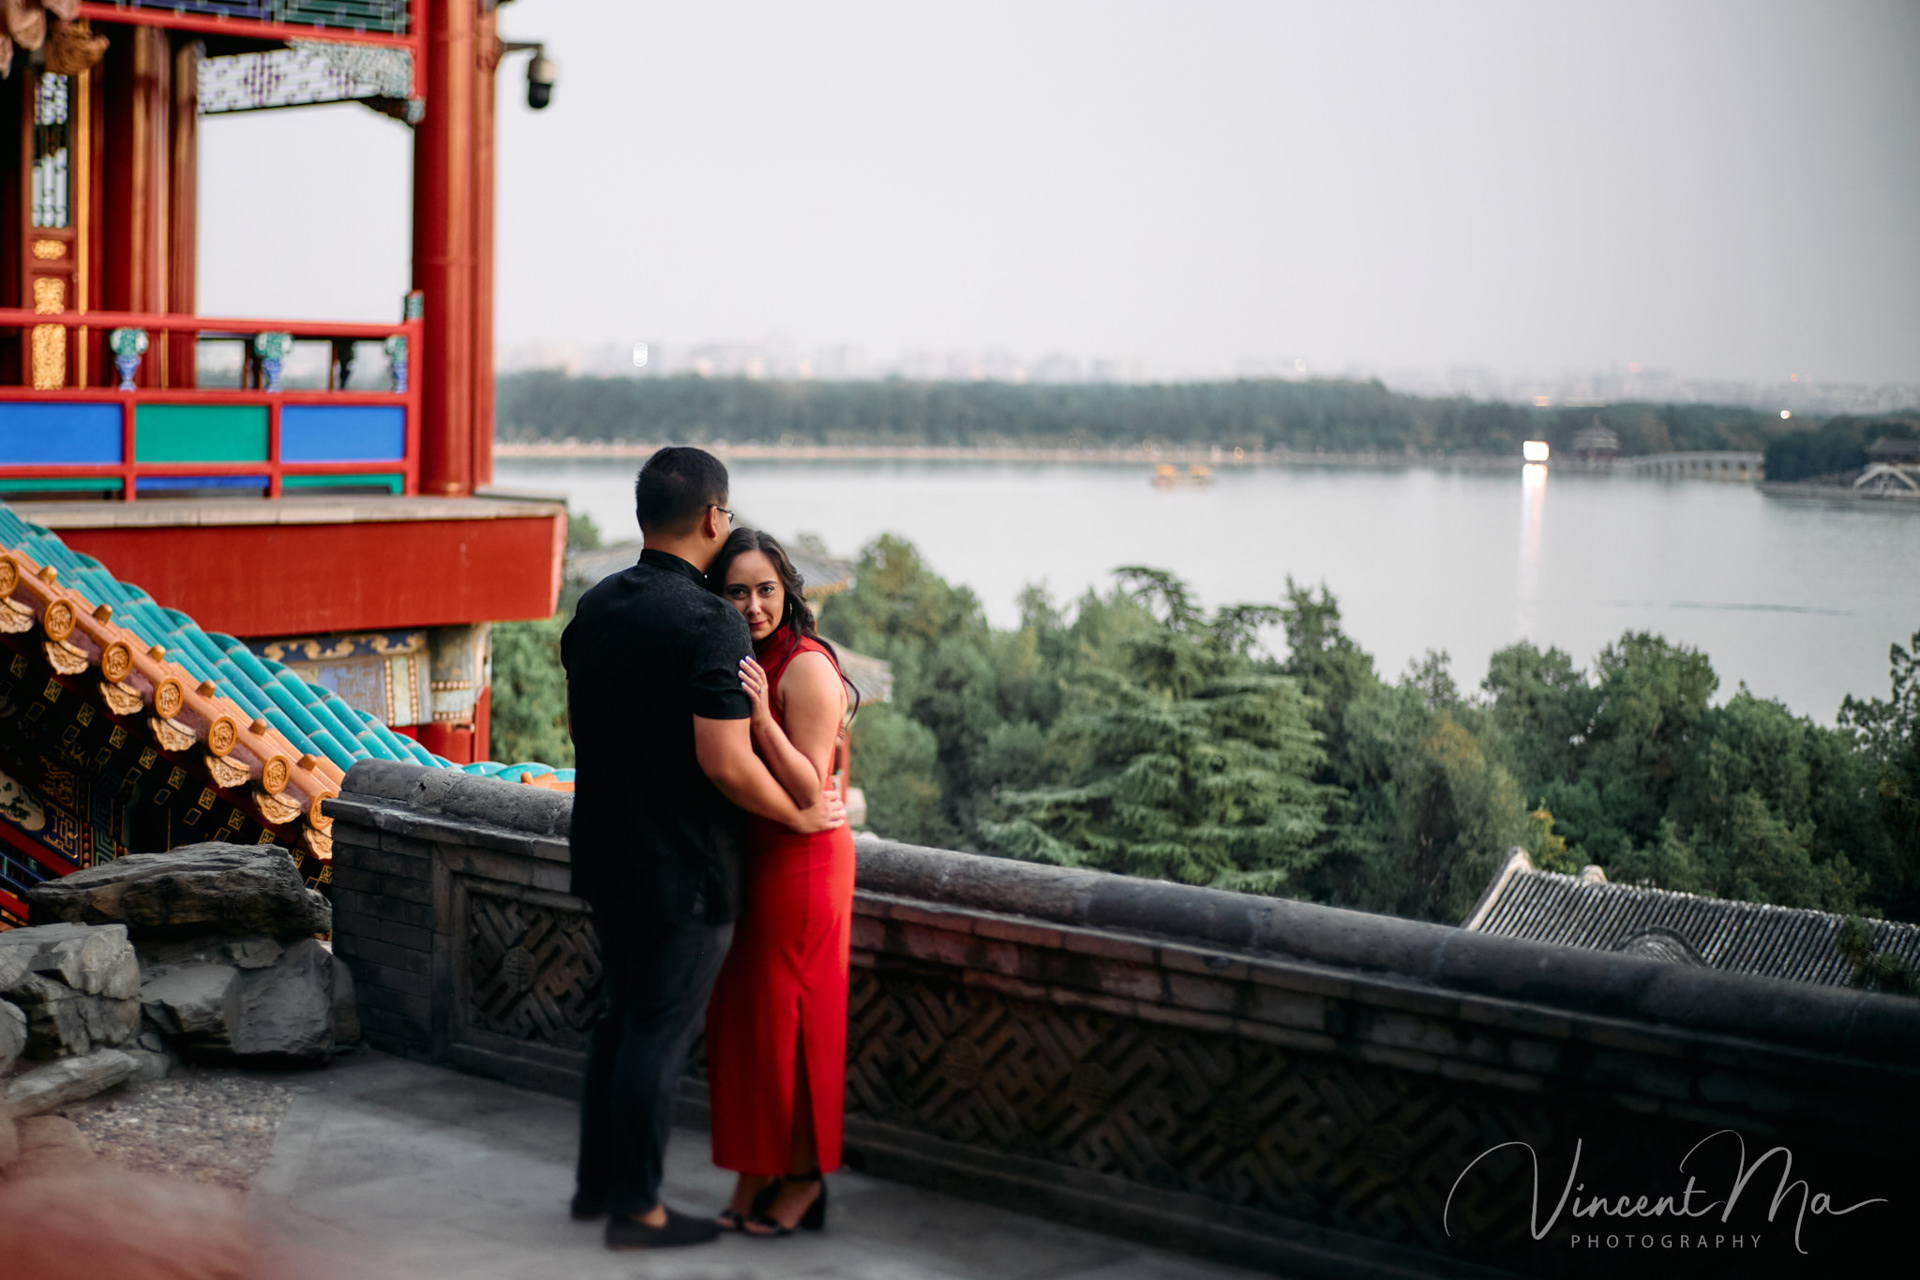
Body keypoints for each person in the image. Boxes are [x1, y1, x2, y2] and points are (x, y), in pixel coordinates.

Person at [563, 449, 845, 1251]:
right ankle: (639, 1210)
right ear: (714, 519)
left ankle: (598, 1187)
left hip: (604, 852)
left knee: (616, 1025)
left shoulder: (598, 604)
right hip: (683, 870)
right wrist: (795, 819)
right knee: (654, 1037)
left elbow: (585, 730)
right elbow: (724, 762)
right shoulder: (707, 621)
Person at [703, 529, 859, 1237]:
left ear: (787, 590)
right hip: (758, 854)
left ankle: (802, 1180)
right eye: (737, 590)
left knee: (792, 1024)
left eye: (766, 589)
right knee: (747, 1023)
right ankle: (755, 1167)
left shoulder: (806, 668)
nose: (754, 604)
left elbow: (808, 787)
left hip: (804, 861)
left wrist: (761, 717)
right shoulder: (743, 653)